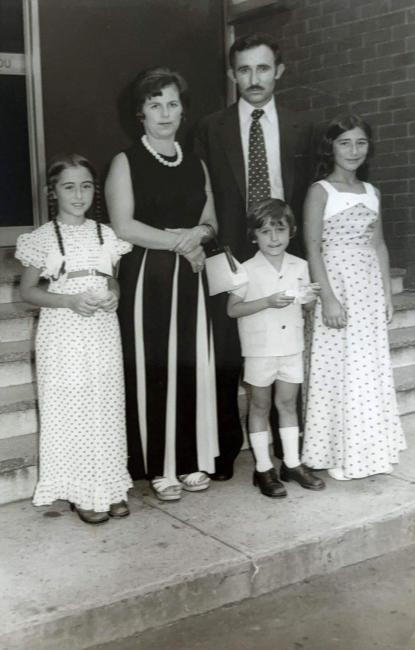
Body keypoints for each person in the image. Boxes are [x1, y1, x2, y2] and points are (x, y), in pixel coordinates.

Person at [196, 32, 314, 480]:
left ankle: (291, 455)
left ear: (278, 71)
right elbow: (202, 193)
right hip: (230, 252)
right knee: (228, 351)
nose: (254, 78)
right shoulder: (211, 127)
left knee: (288, 347)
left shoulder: (303, 125)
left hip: (285, 249)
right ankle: (227, 451)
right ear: (232, 75)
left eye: (263, 68)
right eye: (244, 69)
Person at [105, 67, 218, 502]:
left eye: (172, 103)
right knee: (153, 368)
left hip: (190, 278)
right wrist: (181, 243)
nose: (165, 112)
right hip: (147, 280)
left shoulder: (196, 163)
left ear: (182, 110)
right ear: (141, 113)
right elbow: (124, 226)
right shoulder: (125, 161)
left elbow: (211, 221)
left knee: (189, 365)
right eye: (155, 104)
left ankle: (187, 460)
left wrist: (199, 238)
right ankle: (157, 466)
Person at [15, 154, 133, 524]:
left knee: (106, 407)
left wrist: (114, 293)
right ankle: (82, 491)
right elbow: (28, 292)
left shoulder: (106, 234)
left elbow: (110, 277)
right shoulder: (43, 238)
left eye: (85, 186)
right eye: (68, 187)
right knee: (74, 410)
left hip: (101, 331)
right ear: (53, 193)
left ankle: (110, 486)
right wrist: (68, 300)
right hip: (63, 333)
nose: (78, 194)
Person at [301, 114, 406, 480]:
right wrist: (328, 298)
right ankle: (337, 452)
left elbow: (378, 245)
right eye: (344, 142)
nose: (353, 150)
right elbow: (313, 248)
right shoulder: (320, 191)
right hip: (337, 283)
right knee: (337, 369)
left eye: (360, 142)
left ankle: (368, 450)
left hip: (367, 289)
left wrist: (386, 295)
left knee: (367, 368)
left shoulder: (372, 192)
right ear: (330, 147)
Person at [227, 198, 324, 496]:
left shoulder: (301, 265)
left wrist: (309, 302)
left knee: (286, 405)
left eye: (280, 230)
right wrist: (268, 301)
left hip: (291, 346)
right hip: (260, 348)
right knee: (259, 405)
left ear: (291, 232)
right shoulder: (245, 269)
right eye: (266, 231)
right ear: (254, 235)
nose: (273, 238)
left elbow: (306, 308)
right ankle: (263, 469)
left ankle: (292, 463)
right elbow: (233, 309)